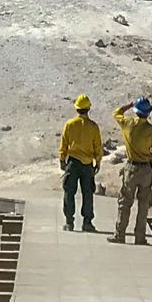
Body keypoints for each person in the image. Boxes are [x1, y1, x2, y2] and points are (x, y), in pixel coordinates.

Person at [109, 96, 152, 245]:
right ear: (148, 113)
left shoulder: (128, 124)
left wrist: (128, 105)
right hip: (146, 169)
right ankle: (140, 237)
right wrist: (151, 151)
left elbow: (116, 113)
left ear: (136, 111)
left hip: (131, 169)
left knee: (125, 202)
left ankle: (120, 234)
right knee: (144, 203)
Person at [58, 93, 102, 230]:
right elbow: (98, 146)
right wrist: (98, 161)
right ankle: (87, 222)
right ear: (88, 109)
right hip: (87, 164)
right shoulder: (93, 127)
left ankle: (69, 222)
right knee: (87, 193)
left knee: (69, 192)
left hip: (73, 163)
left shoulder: (69, 124)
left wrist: (62, 159)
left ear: (77, 109)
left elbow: (64, 144)